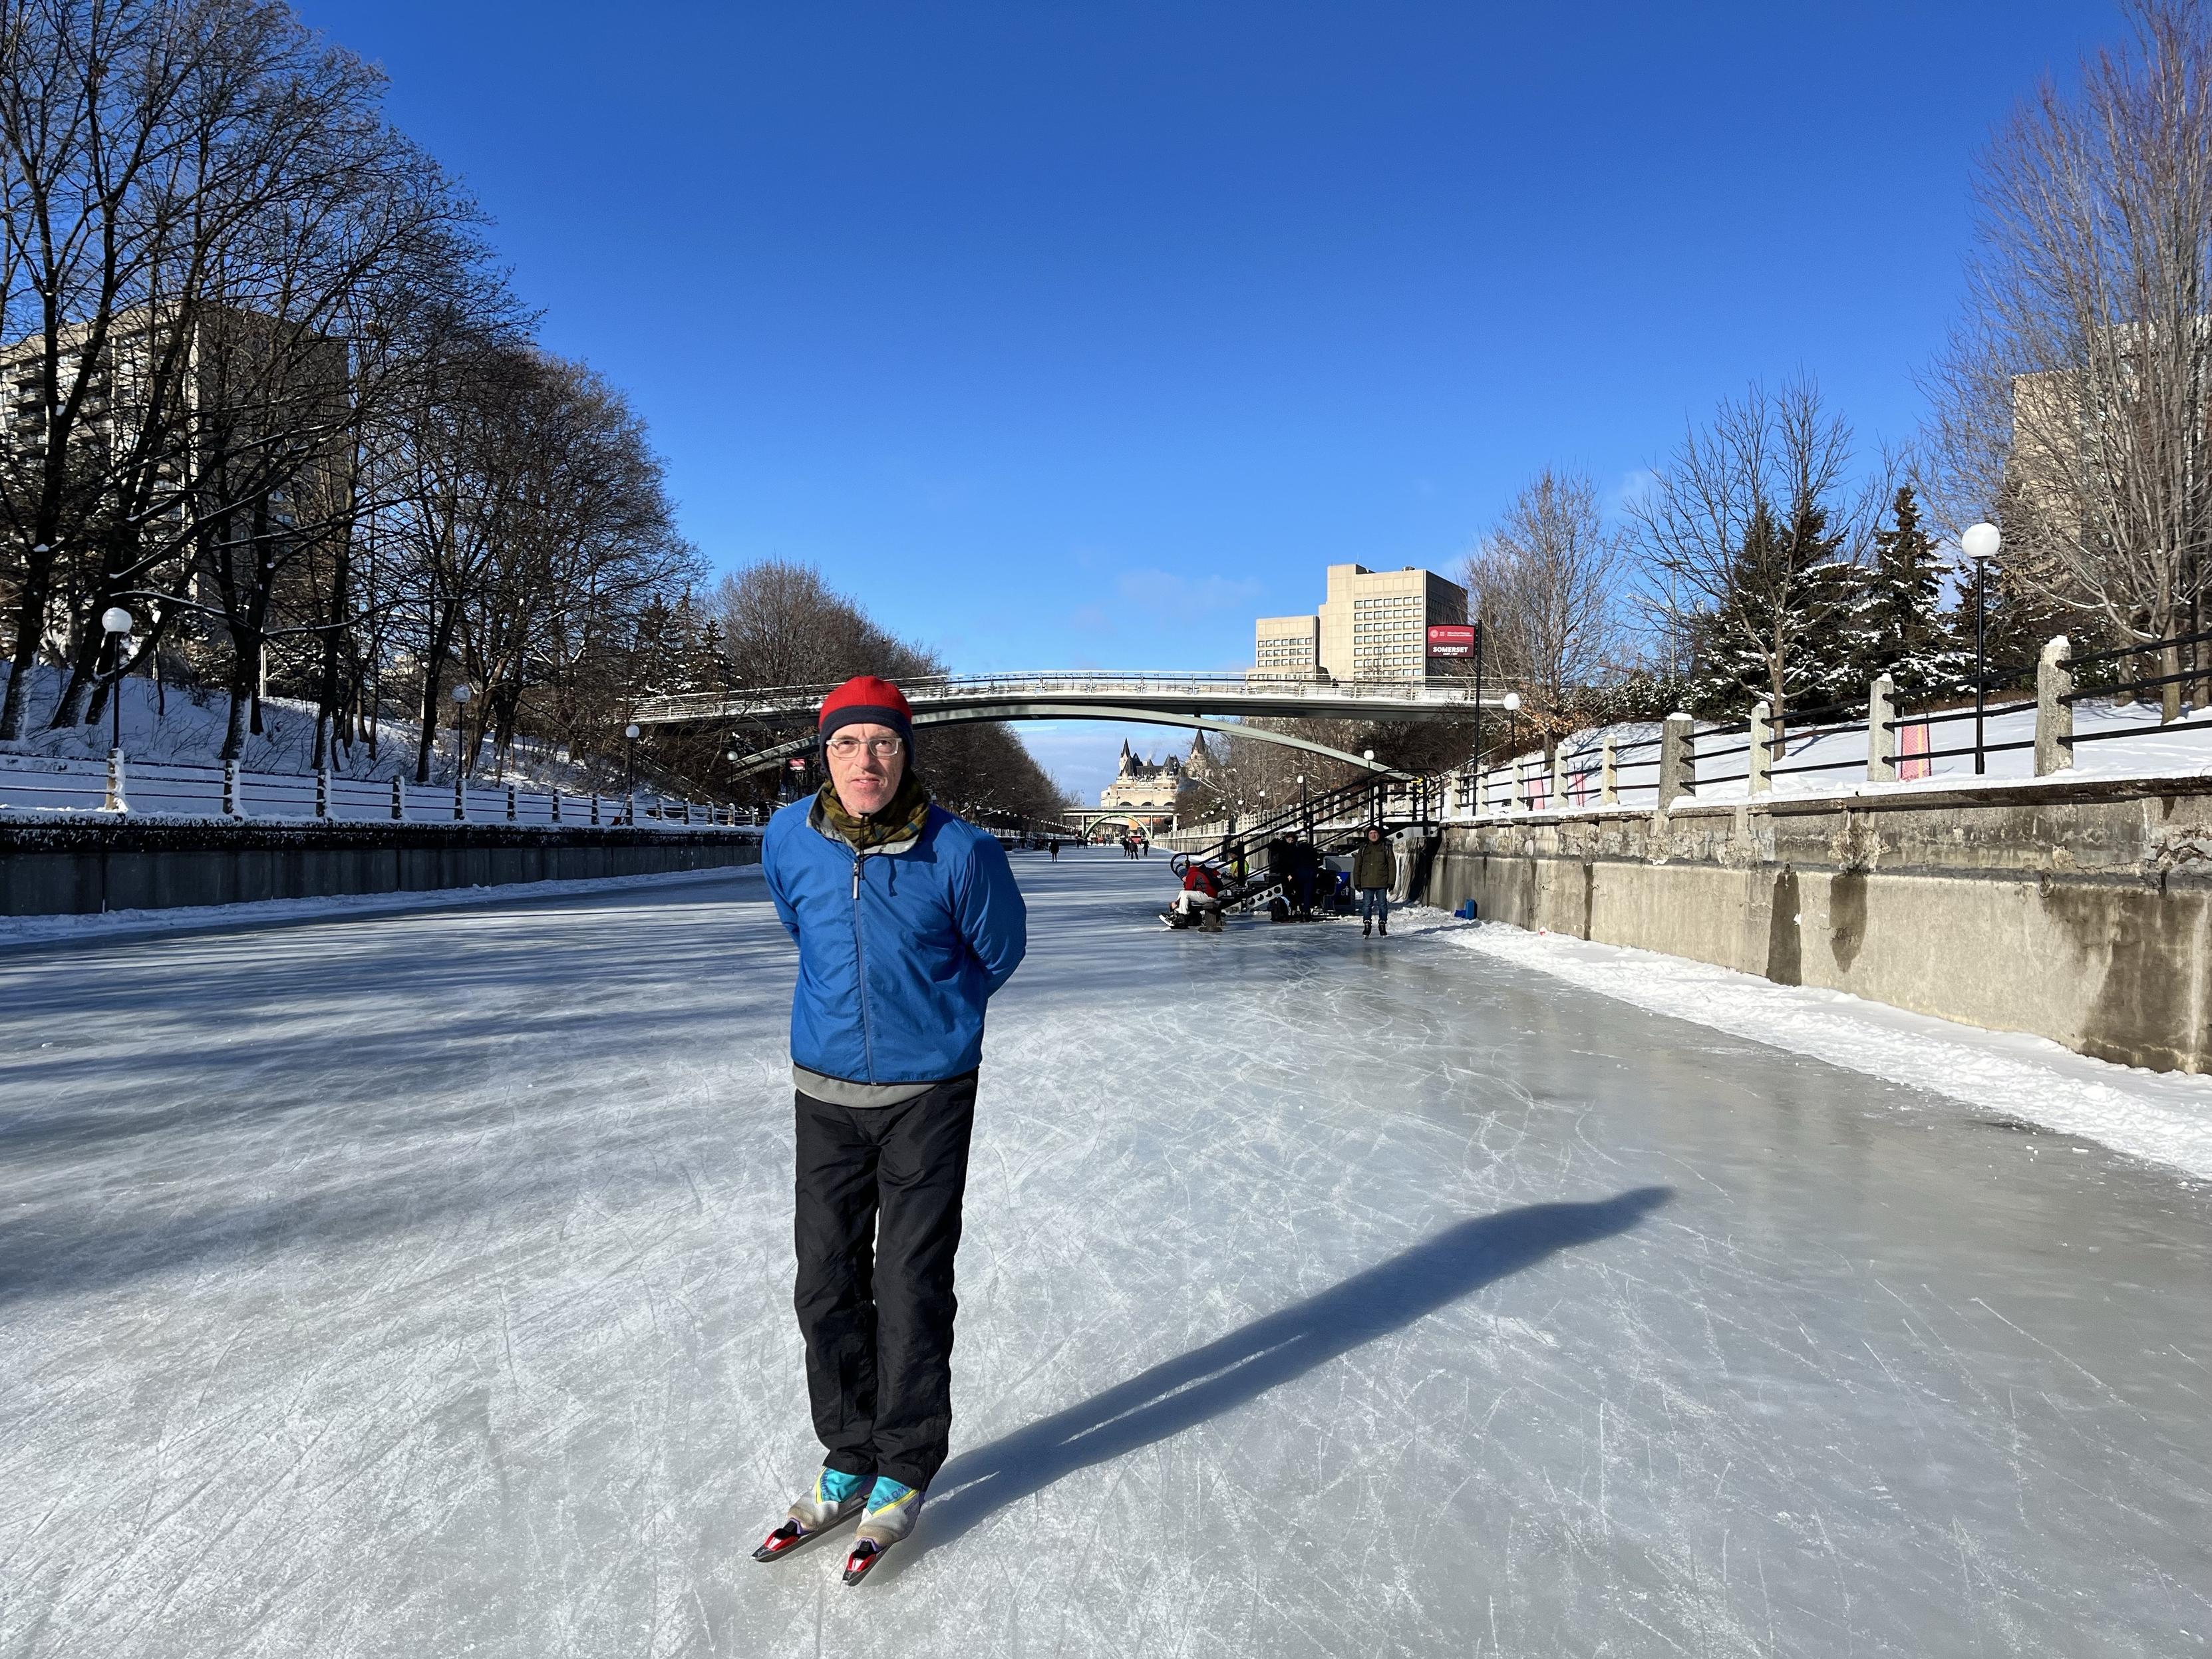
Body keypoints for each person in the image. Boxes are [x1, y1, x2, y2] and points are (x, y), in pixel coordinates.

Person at [754, 675, 1028, 1585]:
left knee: (908, 1285)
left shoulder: (963, 851)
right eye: (845, 743)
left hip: (928, 1092)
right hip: (823, 1087)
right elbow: (801, 925)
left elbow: (1000, 951)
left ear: (906, 752)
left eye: (881, 743)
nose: (864, 761)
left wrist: (937, 1019)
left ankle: (904, 1463)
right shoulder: (786, 838)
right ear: (821, 753)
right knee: (824, 1281)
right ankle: (847, 1451)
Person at [1353, 824, 1394, 937]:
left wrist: (1392, 881)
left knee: (1383, 905)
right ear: (1368, 835)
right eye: (1371, 833)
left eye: (1375, 833)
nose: (1373, 835)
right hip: (1367, 881)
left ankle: (1382, 923)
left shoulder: (1385, 847)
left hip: (1382, 881)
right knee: (1367, 905)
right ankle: (1367, 923)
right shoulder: (1364, 848)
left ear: (1379, 835)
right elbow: (1358, 866)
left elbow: (1392, 865)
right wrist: (1357, 881)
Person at [1162, 860, 1222, 929]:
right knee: (1182, 892)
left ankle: (1182, 918)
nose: (1183, 880)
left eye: (1182, 878)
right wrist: (1177, 903)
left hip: (1209, 896)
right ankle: (1177, 914)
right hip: (1208, 894)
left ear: (1185, 875)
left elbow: (1188, 891)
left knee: (1184, 893)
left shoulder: (1192, 875)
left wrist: (1176, 903)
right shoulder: (1195, 872)